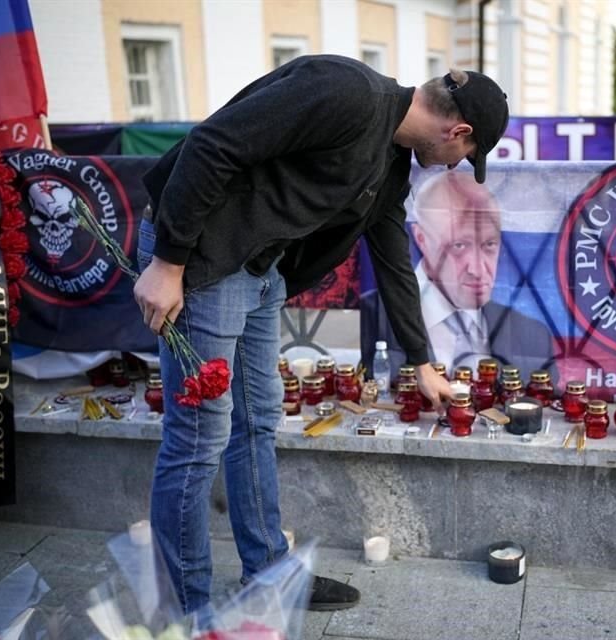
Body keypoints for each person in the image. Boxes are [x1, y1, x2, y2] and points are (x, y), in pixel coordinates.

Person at [133, 54, 509, 615]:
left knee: (257, 423)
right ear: (459, 131)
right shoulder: (347, 92)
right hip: (201, 259)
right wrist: (167, 262)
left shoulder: (392, 158)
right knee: (197, 442)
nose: (456, 166)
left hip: (258, 271)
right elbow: (213, 143)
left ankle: (267, 577)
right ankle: (186, 612)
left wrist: (421, 360)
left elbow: (391, 256)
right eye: (466, 158)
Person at [360, 171, 556, 379]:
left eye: (489, 244)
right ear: (422, 239)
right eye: (459, 245)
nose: (477, 269)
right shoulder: (378, 314)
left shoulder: (534, 335)